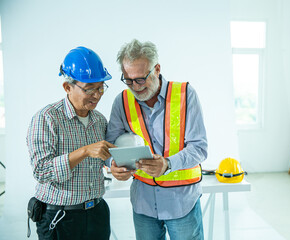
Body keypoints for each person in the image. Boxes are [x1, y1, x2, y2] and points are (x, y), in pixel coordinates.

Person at [106, 39, 208, 240]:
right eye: (128, 80)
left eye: (141, 79)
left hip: (182, 202)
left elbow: (200, 148)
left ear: (157, 69)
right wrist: (112, 164)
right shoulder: (122, 101)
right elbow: (111, 146)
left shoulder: (186, 94)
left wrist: (168, 164)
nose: (135, 86)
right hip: (143, 204)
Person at [27, 46, 116, 240]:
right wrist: (83, 151)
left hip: (97, 214)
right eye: (89, 89)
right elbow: (41, 171)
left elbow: (103, 159)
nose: (97, 95)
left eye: (101, 87)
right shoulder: (46, 118)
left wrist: (116, 166)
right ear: (67, 87)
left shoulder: (99, 120)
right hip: (60, 217)